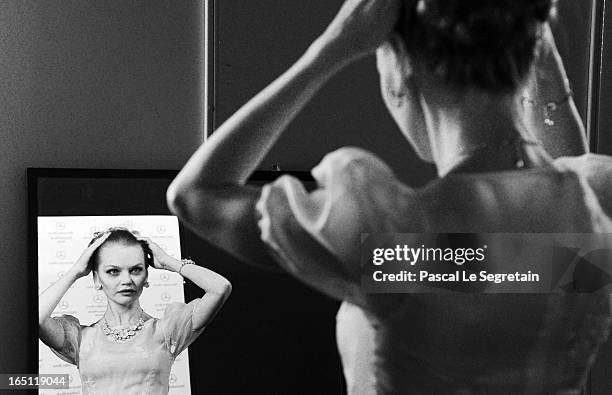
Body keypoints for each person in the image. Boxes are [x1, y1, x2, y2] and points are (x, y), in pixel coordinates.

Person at [167, 0, 612, 393]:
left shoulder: (397, 246)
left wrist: (330, 49)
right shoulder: (593, 202)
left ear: (400, 69)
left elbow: (196, 195)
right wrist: (534, 55)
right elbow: (539, 243)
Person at [39, 228, 232, 395]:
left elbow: (220, 288)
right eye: (113, 271)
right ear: (97, 279)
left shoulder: (167, 330)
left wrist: (168, 262)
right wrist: (75, 271)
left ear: (146, 277)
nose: (126, 280)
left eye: (136, 270)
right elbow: (37, 318)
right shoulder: (80, 338)